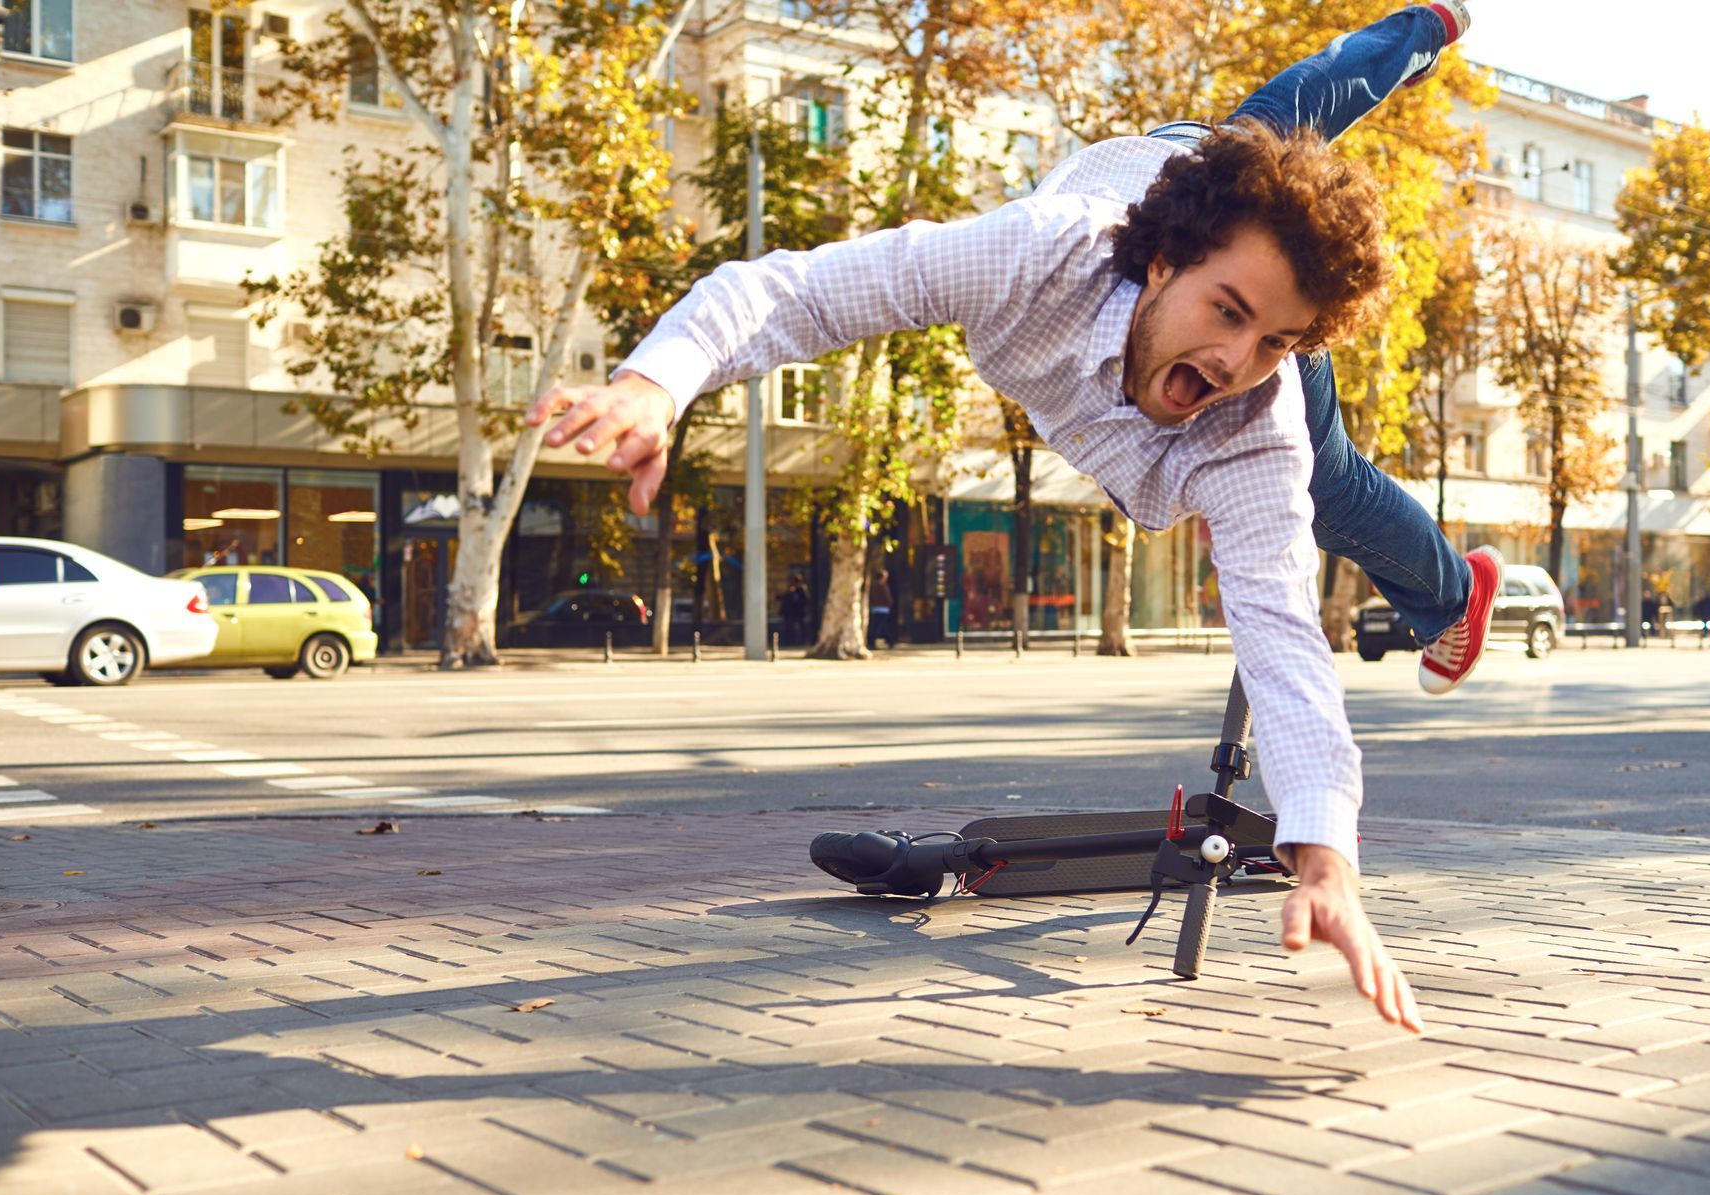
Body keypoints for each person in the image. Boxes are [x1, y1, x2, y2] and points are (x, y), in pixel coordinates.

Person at [530, 4, 1488, 1031]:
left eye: (1273, 341)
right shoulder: (1032, 257)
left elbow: (1281, 634)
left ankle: (1450, 597)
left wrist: (1325, 852)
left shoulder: (1261, 412)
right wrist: (656, 384)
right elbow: (798, 294)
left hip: (1207, 183)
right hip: (1168, 175)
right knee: (1267, 132)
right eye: (1227, 316)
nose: (1231, 363)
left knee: (1328, 473)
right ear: (1162, 264)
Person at [779, 574, 811, 647]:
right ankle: (790, 642)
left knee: (800, 627)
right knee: (790, 627)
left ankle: (800, 642)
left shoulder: (802, 589)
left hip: (798, 611)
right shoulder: (792, 589)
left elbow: (805, 600)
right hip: (791, 612)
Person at [868, 569, 896, 649]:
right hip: (883, 609)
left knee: (881, 626)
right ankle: (873, 642)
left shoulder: (872, 585)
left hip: (875, 608)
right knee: (880, 626)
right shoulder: (882, 585)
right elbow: (887, 597)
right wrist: (890, 603)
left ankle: (890, 641)